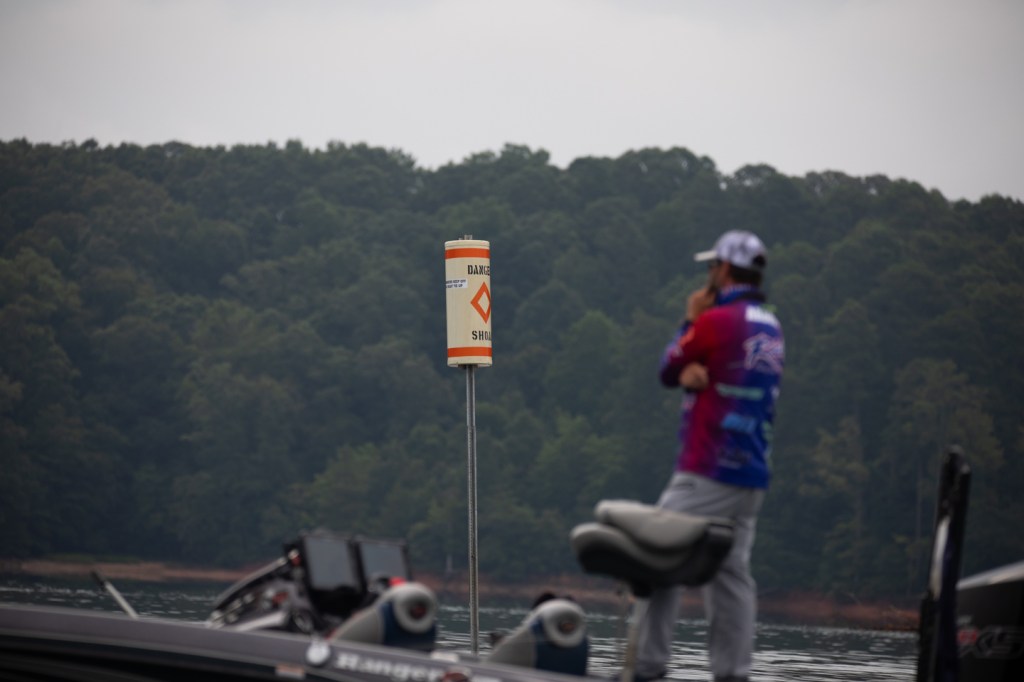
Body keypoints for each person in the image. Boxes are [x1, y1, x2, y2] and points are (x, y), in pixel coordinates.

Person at [634, 230, 784, 682]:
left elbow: (668, 366)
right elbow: (722, 373)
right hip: (751, 473)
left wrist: (690, 319)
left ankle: (645, 668)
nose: (709, 274)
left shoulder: (717, 322)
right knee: (732, 575)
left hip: (708, 469)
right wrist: (696, 373)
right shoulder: (770, 326)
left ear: (724, 269)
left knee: (655, 554)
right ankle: (733, 674)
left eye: (711, 266)